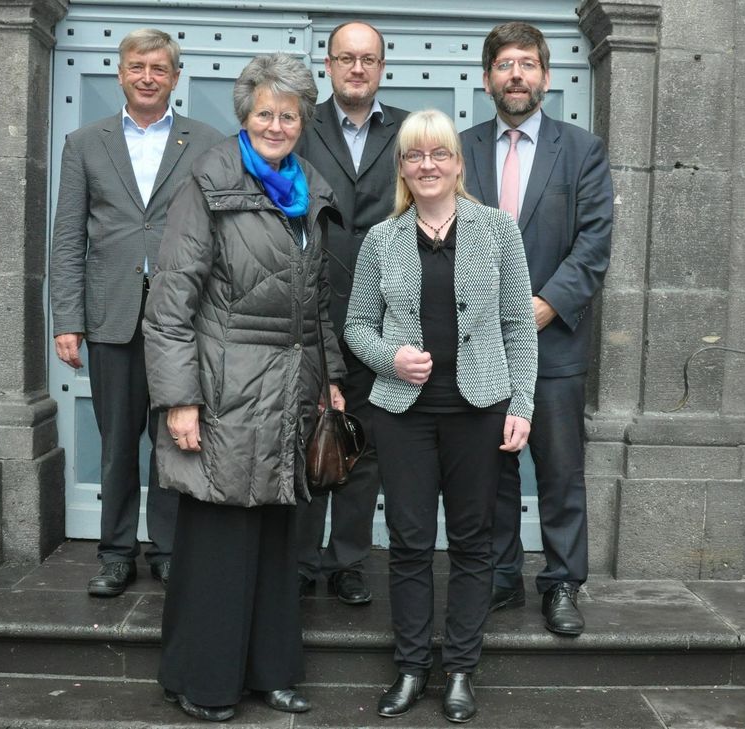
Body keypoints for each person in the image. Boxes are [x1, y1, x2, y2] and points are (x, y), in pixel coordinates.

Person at [143, 53, 345, 723]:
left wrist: (331, 383)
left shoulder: (307, 188)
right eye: (265, 113)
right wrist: (178, 399)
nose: (277, 124)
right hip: (222, 395)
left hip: (289, 393)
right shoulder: (207, 181)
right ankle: (201, 679)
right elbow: (171, 302)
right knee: (218, 547)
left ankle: (270, 672)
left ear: (302, 121)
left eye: (289, 115)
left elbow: (315, 306)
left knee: (273, 543)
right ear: (244, 115)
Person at [345, 109, 537, 723]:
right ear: (402, 168)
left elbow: (518, 328)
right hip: (403, 415)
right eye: (413, 156)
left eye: (439, 154)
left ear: (457, 163)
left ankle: (459, 669)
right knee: (408, 543)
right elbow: (355, 326)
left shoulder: (497, 230)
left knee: (473, 543)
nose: (427, 166)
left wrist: (522, 406)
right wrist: (389, 357)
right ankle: (409, 668)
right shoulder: (382, 239)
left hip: (478, 409)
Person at [49, 28, 222, 597]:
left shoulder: (207, 142)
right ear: (120, 73)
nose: (147, 76)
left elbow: (220, 236)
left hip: (183, 319)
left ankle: (168, 549)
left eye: (159, 68)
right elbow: (68, 237)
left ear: (176, 76)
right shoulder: (85, 142)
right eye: (136, 67)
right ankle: (115, 552)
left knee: (175, 437)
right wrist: (68, 318)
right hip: (110, 316)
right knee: (118, 440)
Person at [460, 22, 613, 635]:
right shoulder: (461, 148)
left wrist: (543, 305)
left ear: (546, 77)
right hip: (477, 345)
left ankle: (560, 584)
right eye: (504, 64)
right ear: (487, 77)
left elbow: (594, 242)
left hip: (553, 342)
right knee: (488, 467)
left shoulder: (581, 151)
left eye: (527, 64)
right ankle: (500, 578)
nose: (516, 74)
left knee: (558, 468)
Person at [293, 20, 408, 606]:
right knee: (307, 434)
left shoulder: (408, 131)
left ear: (382, 67)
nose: (357, 68)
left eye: (368, 59)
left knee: (363, 445)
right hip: (309, 309)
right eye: (346, 58)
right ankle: (302, 558)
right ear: (329, 66)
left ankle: (349, 561)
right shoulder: (301, 124)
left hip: (383, 318)